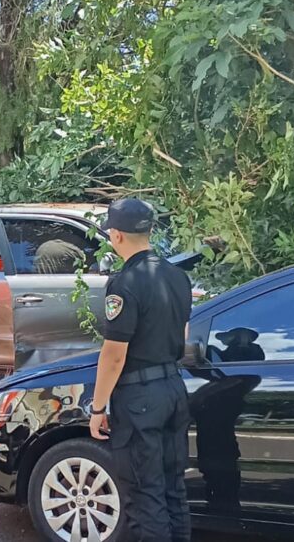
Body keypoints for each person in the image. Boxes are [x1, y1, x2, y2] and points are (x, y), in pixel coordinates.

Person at [88, 198, 193, 542]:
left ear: (116, 236)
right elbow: (184, 336)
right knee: (172, 489)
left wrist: (98, 407)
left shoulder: (125, 283)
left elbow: (114, 356)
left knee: (144, 495)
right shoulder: (178, 277)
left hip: (139, 399)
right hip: (173, 390)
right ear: (149, 231)